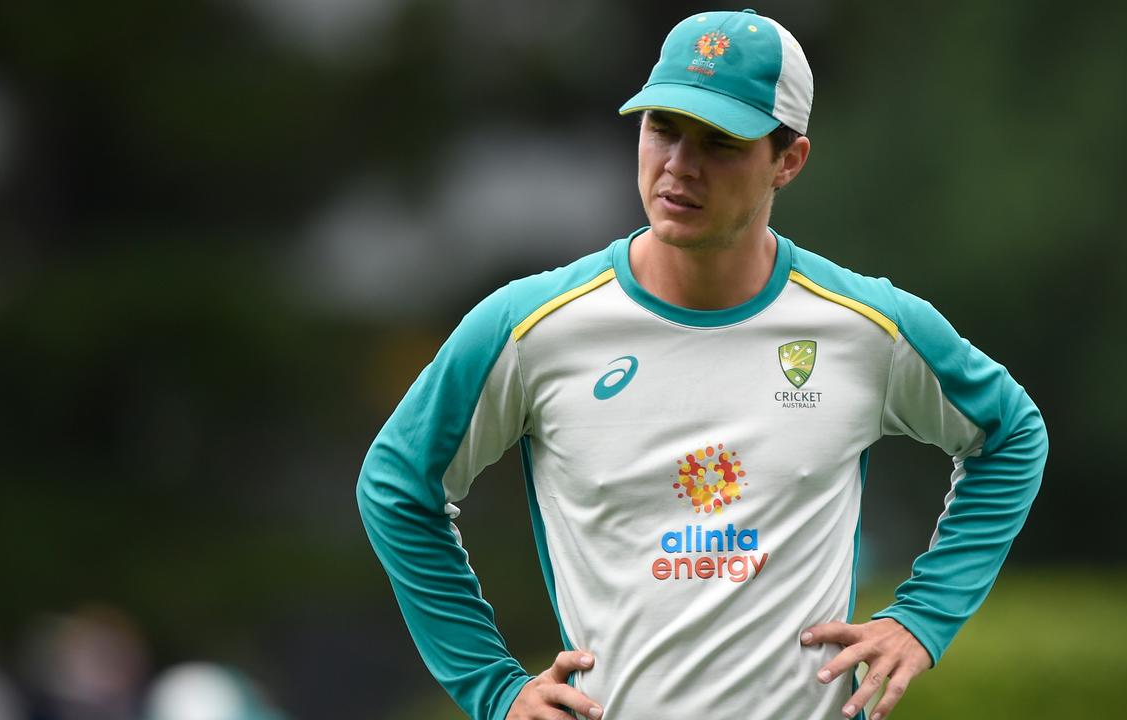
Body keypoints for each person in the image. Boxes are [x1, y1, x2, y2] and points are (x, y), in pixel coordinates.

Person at [357, 8, 1047, 720]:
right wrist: (494, 688)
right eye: (663, 128)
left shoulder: (870, 328)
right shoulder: (527, 326)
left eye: (720, 143)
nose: (679, 165)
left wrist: (922, 618)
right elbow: (398, 486)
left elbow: (1010, 435)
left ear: (789, 160)